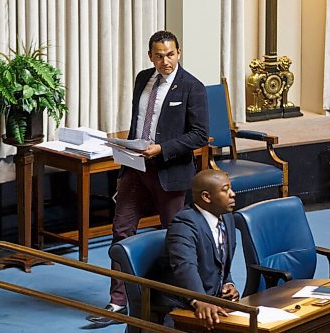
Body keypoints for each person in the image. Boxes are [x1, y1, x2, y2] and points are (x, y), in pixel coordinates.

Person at [83, 30, 209, 329]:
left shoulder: (192, 87)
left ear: (179, 52)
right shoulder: (143, 78)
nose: (165, 61)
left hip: (170, 172)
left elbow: (199, 134)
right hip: (135, 169)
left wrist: (162, 149)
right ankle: (118, 301)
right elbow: (137, 125)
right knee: (121, 231)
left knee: (175, 237)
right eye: (159, 56)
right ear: (150, 56)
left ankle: (179, 300)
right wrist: (125, 158)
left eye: (170, 54)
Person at [154, 169, 239, 330]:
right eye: (225, 190)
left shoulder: (226, 217)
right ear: (206, 197)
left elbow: (220, 259)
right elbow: (185, 266)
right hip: (180, 304)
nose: (233, 194)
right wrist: (200, 300)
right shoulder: (184, 224)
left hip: (214, 299)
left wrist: (228, 283)